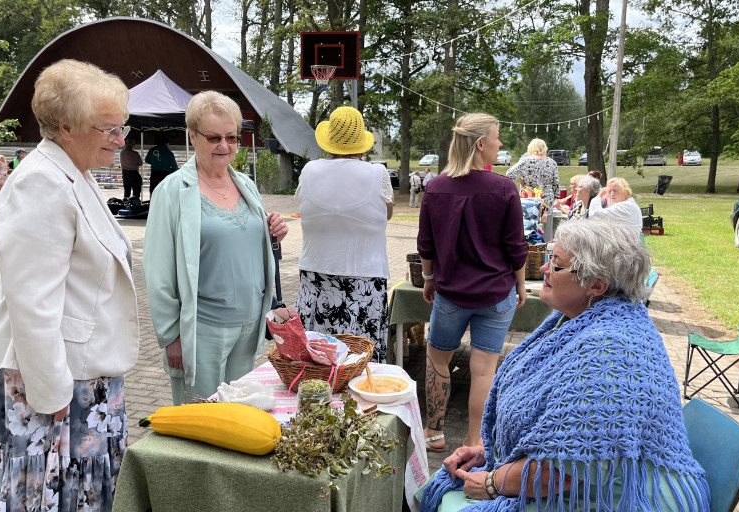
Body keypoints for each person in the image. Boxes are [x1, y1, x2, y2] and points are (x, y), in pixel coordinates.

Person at [421, 219, 711, 512]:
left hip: (625, 497)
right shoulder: (578, 319)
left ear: (596, 285)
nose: (544, 269)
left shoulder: (611, 353)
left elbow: (565, 468)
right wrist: (488, 452)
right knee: (443, 483)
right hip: (575, 481)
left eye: (556, 264)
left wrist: (492, 482)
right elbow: (554, 429)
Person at [0, 59, 140, 512]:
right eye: (109, 129)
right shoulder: (42, 183)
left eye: (122, 127)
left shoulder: (74, 172)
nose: (120, 140)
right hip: (57, 383)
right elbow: (31, 303)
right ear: (66, 127)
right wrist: (50, 393)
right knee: (54, 494)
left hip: (83, 372)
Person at [144, 91, 291, 406]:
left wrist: (272, 235)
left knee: (237, 415)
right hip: (202, 330)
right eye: (213, 137)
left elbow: (244, 244)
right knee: (201, 419)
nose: (224, 146)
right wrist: (171, 336)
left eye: (232, 137)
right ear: (192, 136)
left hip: (249, 326)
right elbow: (158, 271)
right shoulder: (171, 192)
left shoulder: (246, 185)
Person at [418, 113, 528, 452]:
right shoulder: (504, 188)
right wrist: (520, 284)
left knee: (438, 359)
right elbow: (516, 247)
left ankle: (434, 432)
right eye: (497, 137)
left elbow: (426, 245)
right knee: (483, 371)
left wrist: (428, 278)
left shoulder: (436, 187)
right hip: (496, 294)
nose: (500, 143)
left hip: (451, 294)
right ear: (480, 144)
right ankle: (472, 440)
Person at [294, 106, 394, 362]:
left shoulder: (309, 171)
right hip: (365, 281)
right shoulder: (378, 173)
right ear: (362, 145)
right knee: (361, 361)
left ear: (329, 142)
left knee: (316, 360)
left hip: (316, 279)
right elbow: (387, 213)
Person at [506, 138, 560, 207]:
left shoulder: (525, 161)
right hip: (547, 197)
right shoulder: (552, 162)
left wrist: (522, 182)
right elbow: (556, 183)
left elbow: (509, 173)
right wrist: (556, 196)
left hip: (529, 195)